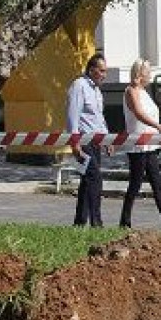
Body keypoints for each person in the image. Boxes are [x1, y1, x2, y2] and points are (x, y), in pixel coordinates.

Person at [120, 59, 161, 232]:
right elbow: (138, 113)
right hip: (138, 145)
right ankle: (125, 220)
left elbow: (150, 115)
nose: (150, 74)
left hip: (150, 145)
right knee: (135, 184)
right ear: (140, 73)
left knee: (157, 183)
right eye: (147, 71)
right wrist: (158, 127)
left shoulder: (144, 92)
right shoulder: (131, 91)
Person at [68, 52, 109, 228]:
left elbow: (99, 117)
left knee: (87, 181)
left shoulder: (97, 90)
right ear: (92, 70)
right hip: (84, 141)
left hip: (96, 142)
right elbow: (72, 115)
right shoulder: (80, 86)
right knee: (95, 178)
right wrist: (74, 142)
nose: (104, 75)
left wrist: (107, 139)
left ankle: (79, 222)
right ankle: (96, 223)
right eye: (102, 71)